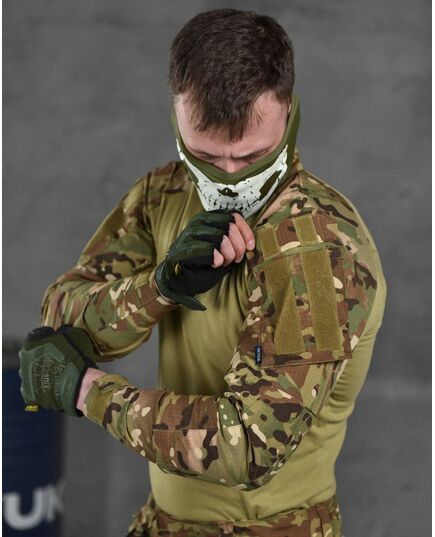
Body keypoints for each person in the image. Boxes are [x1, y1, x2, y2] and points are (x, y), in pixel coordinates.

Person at [18, 8, 387, 537]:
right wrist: (160, 288)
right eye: (207, 157)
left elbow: (251, 447)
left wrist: (87, 391)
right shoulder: (164, 194)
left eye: (254, 156)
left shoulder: (317, 250)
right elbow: (61, 320)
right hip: (162, 522)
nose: (231, 178)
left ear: (289, 113)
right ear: (177, 119)